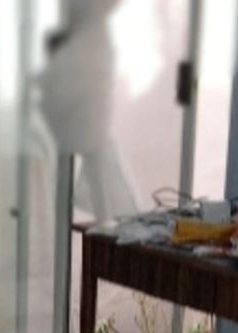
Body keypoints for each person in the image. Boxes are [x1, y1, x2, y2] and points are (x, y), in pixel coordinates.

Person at [37, 0, 140, 223]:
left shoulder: (92, 36)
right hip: (74, 117)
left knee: (95, 170)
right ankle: (101, 222)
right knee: (88, 172)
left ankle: (104, 223)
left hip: (81, 116)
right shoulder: (88, 36)